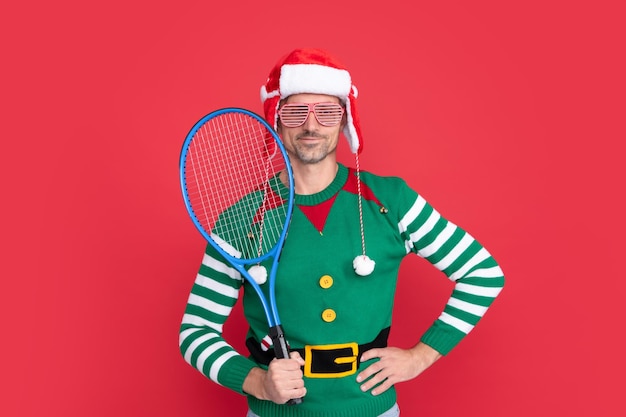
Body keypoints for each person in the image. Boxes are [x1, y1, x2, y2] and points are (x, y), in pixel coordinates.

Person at [179, 48, 505, 417]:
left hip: (371, 410)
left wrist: (420, 356)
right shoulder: (242, 219)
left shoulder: (390, 201)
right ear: (276, 119)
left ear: (344, 120)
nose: (311, 125)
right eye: (296, 111)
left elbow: (483, 274)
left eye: (327, 111)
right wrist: (256, 381)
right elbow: (196, 330)